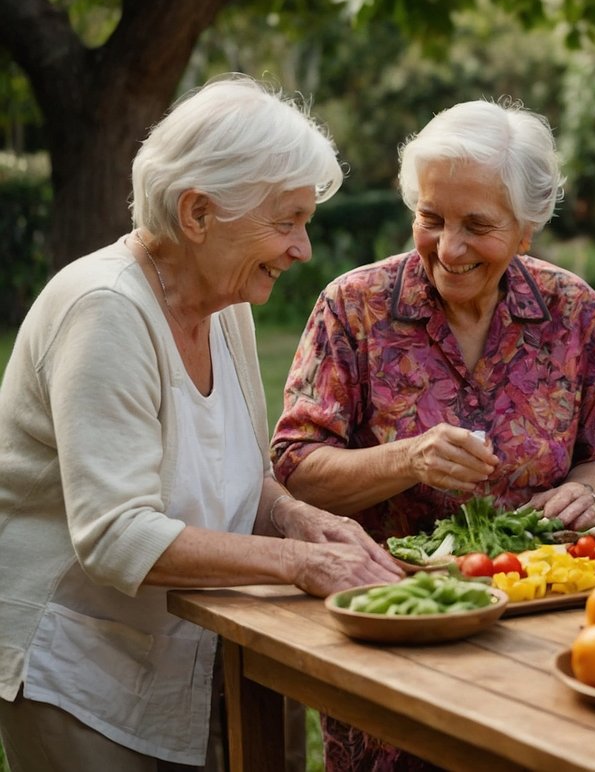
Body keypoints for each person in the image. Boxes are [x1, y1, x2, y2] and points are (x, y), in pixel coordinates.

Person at [0, 75, 404, 772]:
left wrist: (296, 518)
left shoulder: (227, 306)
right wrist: (303, 563)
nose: (303, 248)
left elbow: (240, 470)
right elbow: (117, 536)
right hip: (81, 669)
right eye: (287, 221)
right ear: (197, 214)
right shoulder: (105, 310)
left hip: (184, 652)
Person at [270, 98, 595, 770]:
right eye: (431, 218)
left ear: (526, 229)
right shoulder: (354, 308)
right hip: (399, 619)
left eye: (478, 226)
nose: (448, 247)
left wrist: (588, 492)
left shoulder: (573, 311)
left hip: (540, 621)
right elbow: (296, 468)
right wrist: (408, 459)